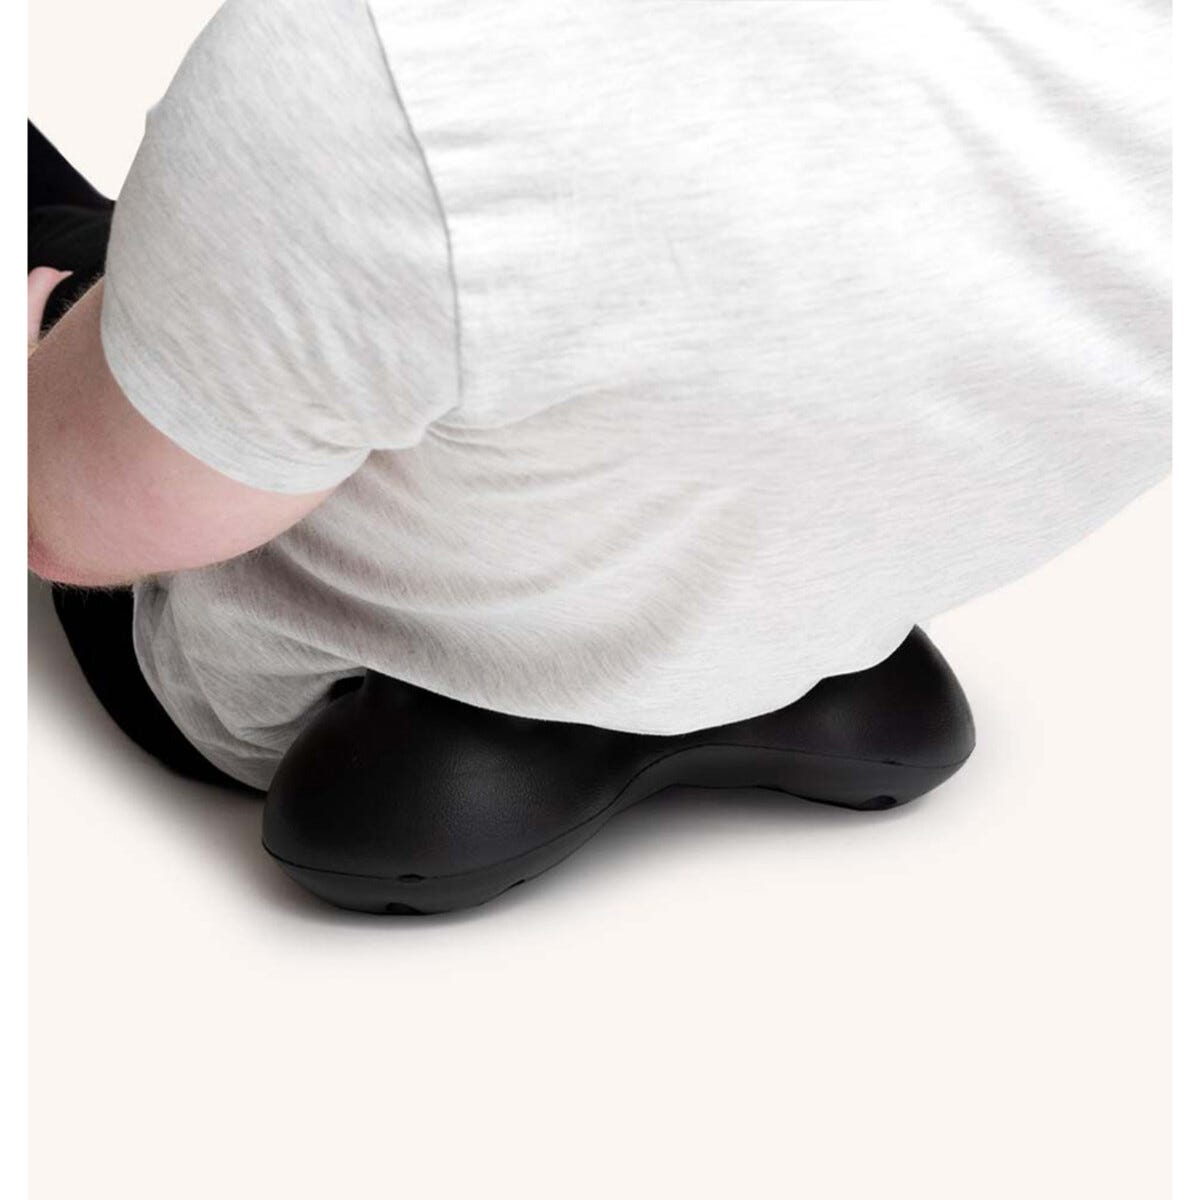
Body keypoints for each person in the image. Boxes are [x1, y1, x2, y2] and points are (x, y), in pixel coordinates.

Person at [29, 0, 1170, 797]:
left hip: (336, 681)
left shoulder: (380, 56)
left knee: (70, 244)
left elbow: (65, 523)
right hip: (807, 593)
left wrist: (62, 323)